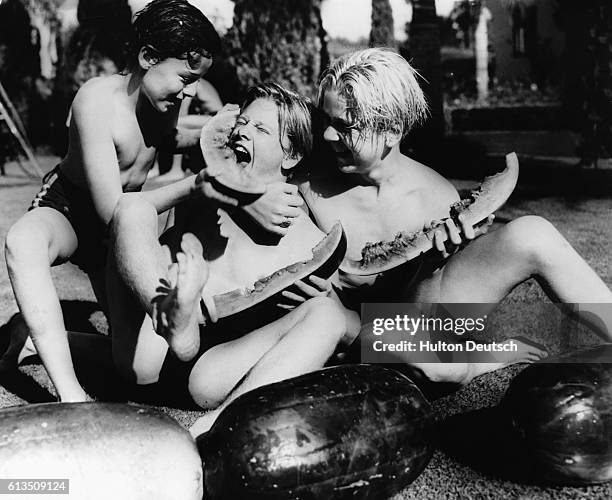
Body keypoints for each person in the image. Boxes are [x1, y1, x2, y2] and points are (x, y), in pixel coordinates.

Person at [299, 48, 612, 385]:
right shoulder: (308, 188)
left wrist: (433, 266)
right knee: (402, 346)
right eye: (326, 122)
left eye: (345, 126)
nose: (329, 136)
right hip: (358, 334)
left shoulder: (436, 195)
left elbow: (431, 318)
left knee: (534, 233)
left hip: (417, 322)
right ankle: (474, 366)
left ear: (392, 130)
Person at [2, 0, 224, 402]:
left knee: (138, 369)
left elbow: (165, 141)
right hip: (71, 209)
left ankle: (30, 337)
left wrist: (221, 129)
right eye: (185, 78)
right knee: (23, 242)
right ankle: (70, 394)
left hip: (119, 231)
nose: (191, 91)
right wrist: (196, 184)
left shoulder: (162, 101)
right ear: (147, 57)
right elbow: (109, 208)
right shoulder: (96, 100)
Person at [106, 83, 357, 435]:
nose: (242, 130)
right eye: (242, 121)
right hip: (150, 348)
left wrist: (328, 305)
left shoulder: (313, 239)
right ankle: (174, 321)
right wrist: (217, 188)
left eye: (261, 129)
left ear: (291, 156)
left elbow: (339, 326)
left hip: (214, 372)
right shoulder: (202, 192)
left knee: (327, 315)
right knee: (130, 208)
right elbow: (127, 213)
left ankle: (214, 426)